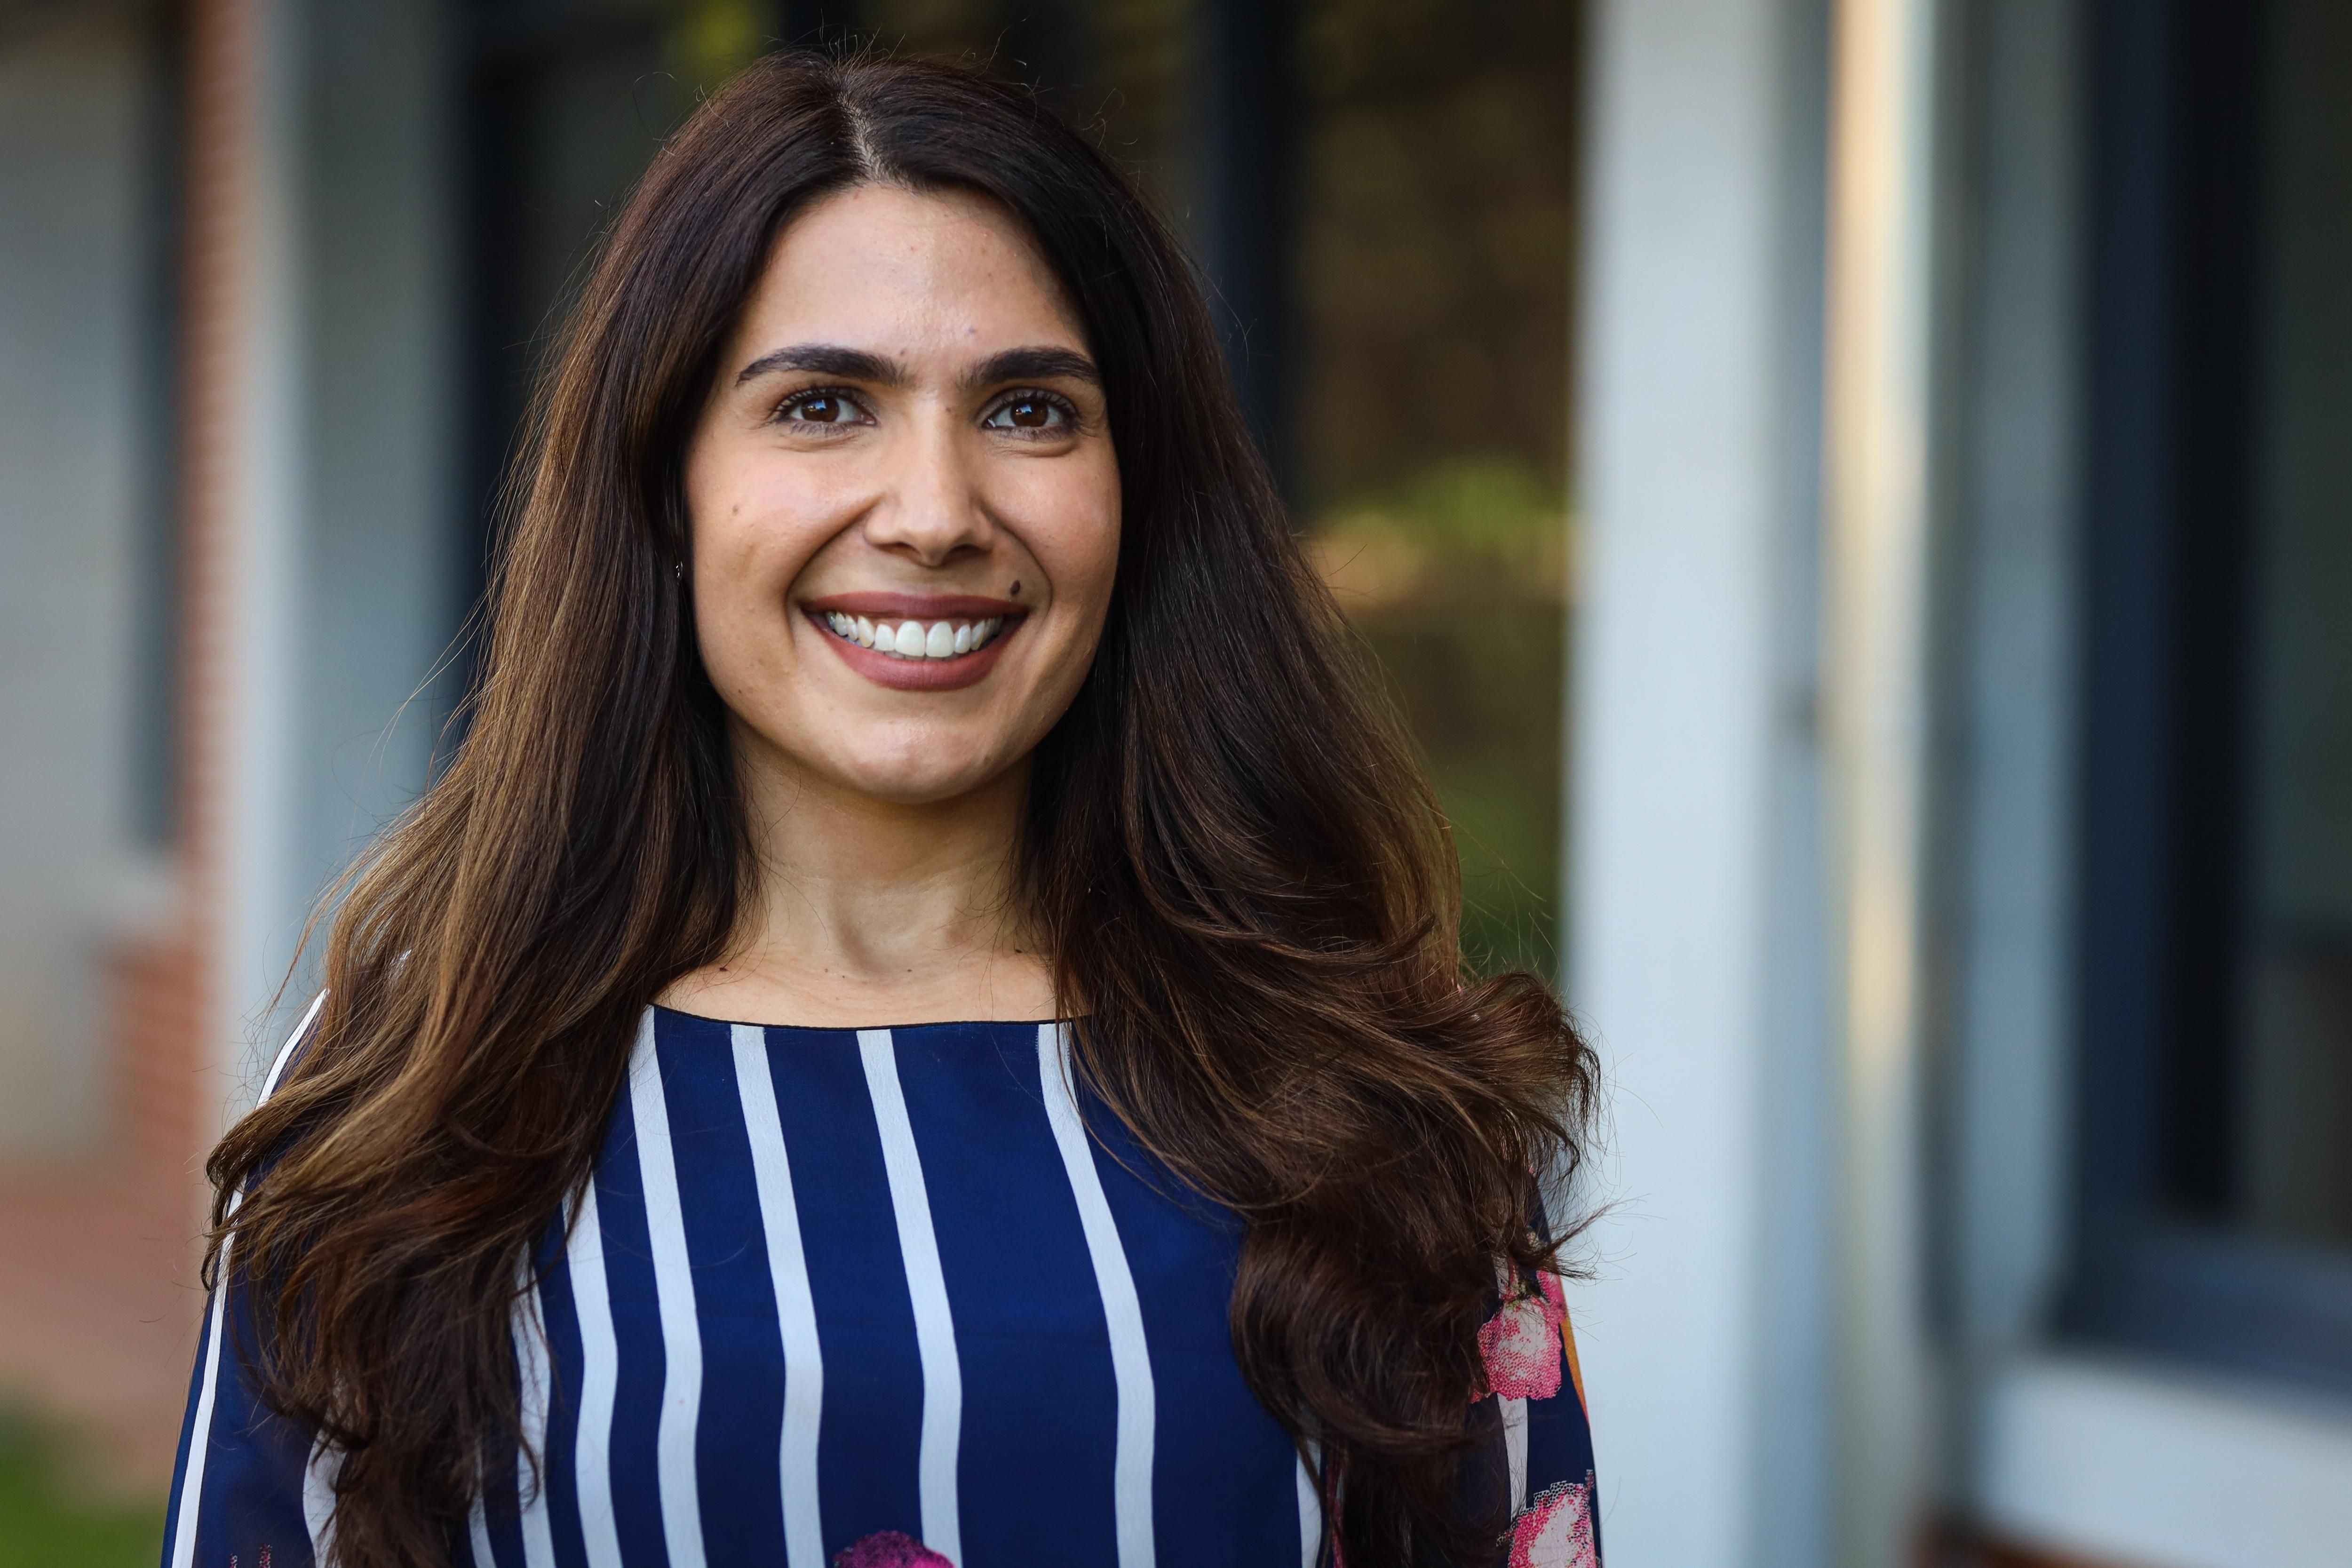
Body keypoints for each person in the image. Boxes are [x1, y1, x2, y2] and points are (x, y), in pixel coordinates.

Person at [161, 51, 1600, 1568]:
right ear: (665, 484)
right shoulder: (428, 1067)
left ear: (1139, 490)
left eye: (1032, 410)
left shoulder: (1367, 1075)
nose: (933, 511)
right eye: (825, 404)